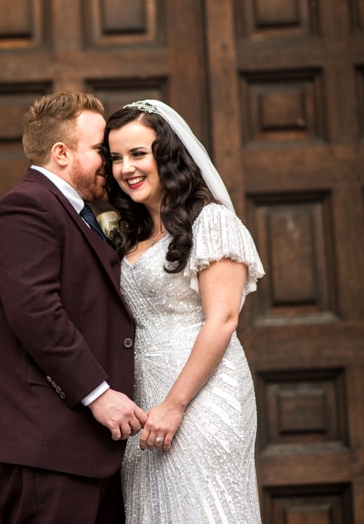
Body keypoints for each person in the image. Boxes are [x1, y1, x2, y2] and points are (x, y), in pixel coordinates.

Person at [0, 91, 147, 523]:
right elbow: (36, 313)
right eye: (100, 150)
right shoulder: (25, 207)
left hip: (80, 447)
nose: (111, 161)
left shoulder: (77, 212)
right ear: (61, 152)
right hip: (44, 443)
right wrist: (99, 395)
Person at [103, 99, 265, 523]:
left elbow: (223, 320)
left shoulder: (210, 221)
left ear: (168, 153)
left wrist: (174, 405)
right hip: (144, 395)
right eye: (116, 158)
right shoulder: (128, 232)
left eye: (138, 153)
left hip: (201, 394)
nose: (126, 168)